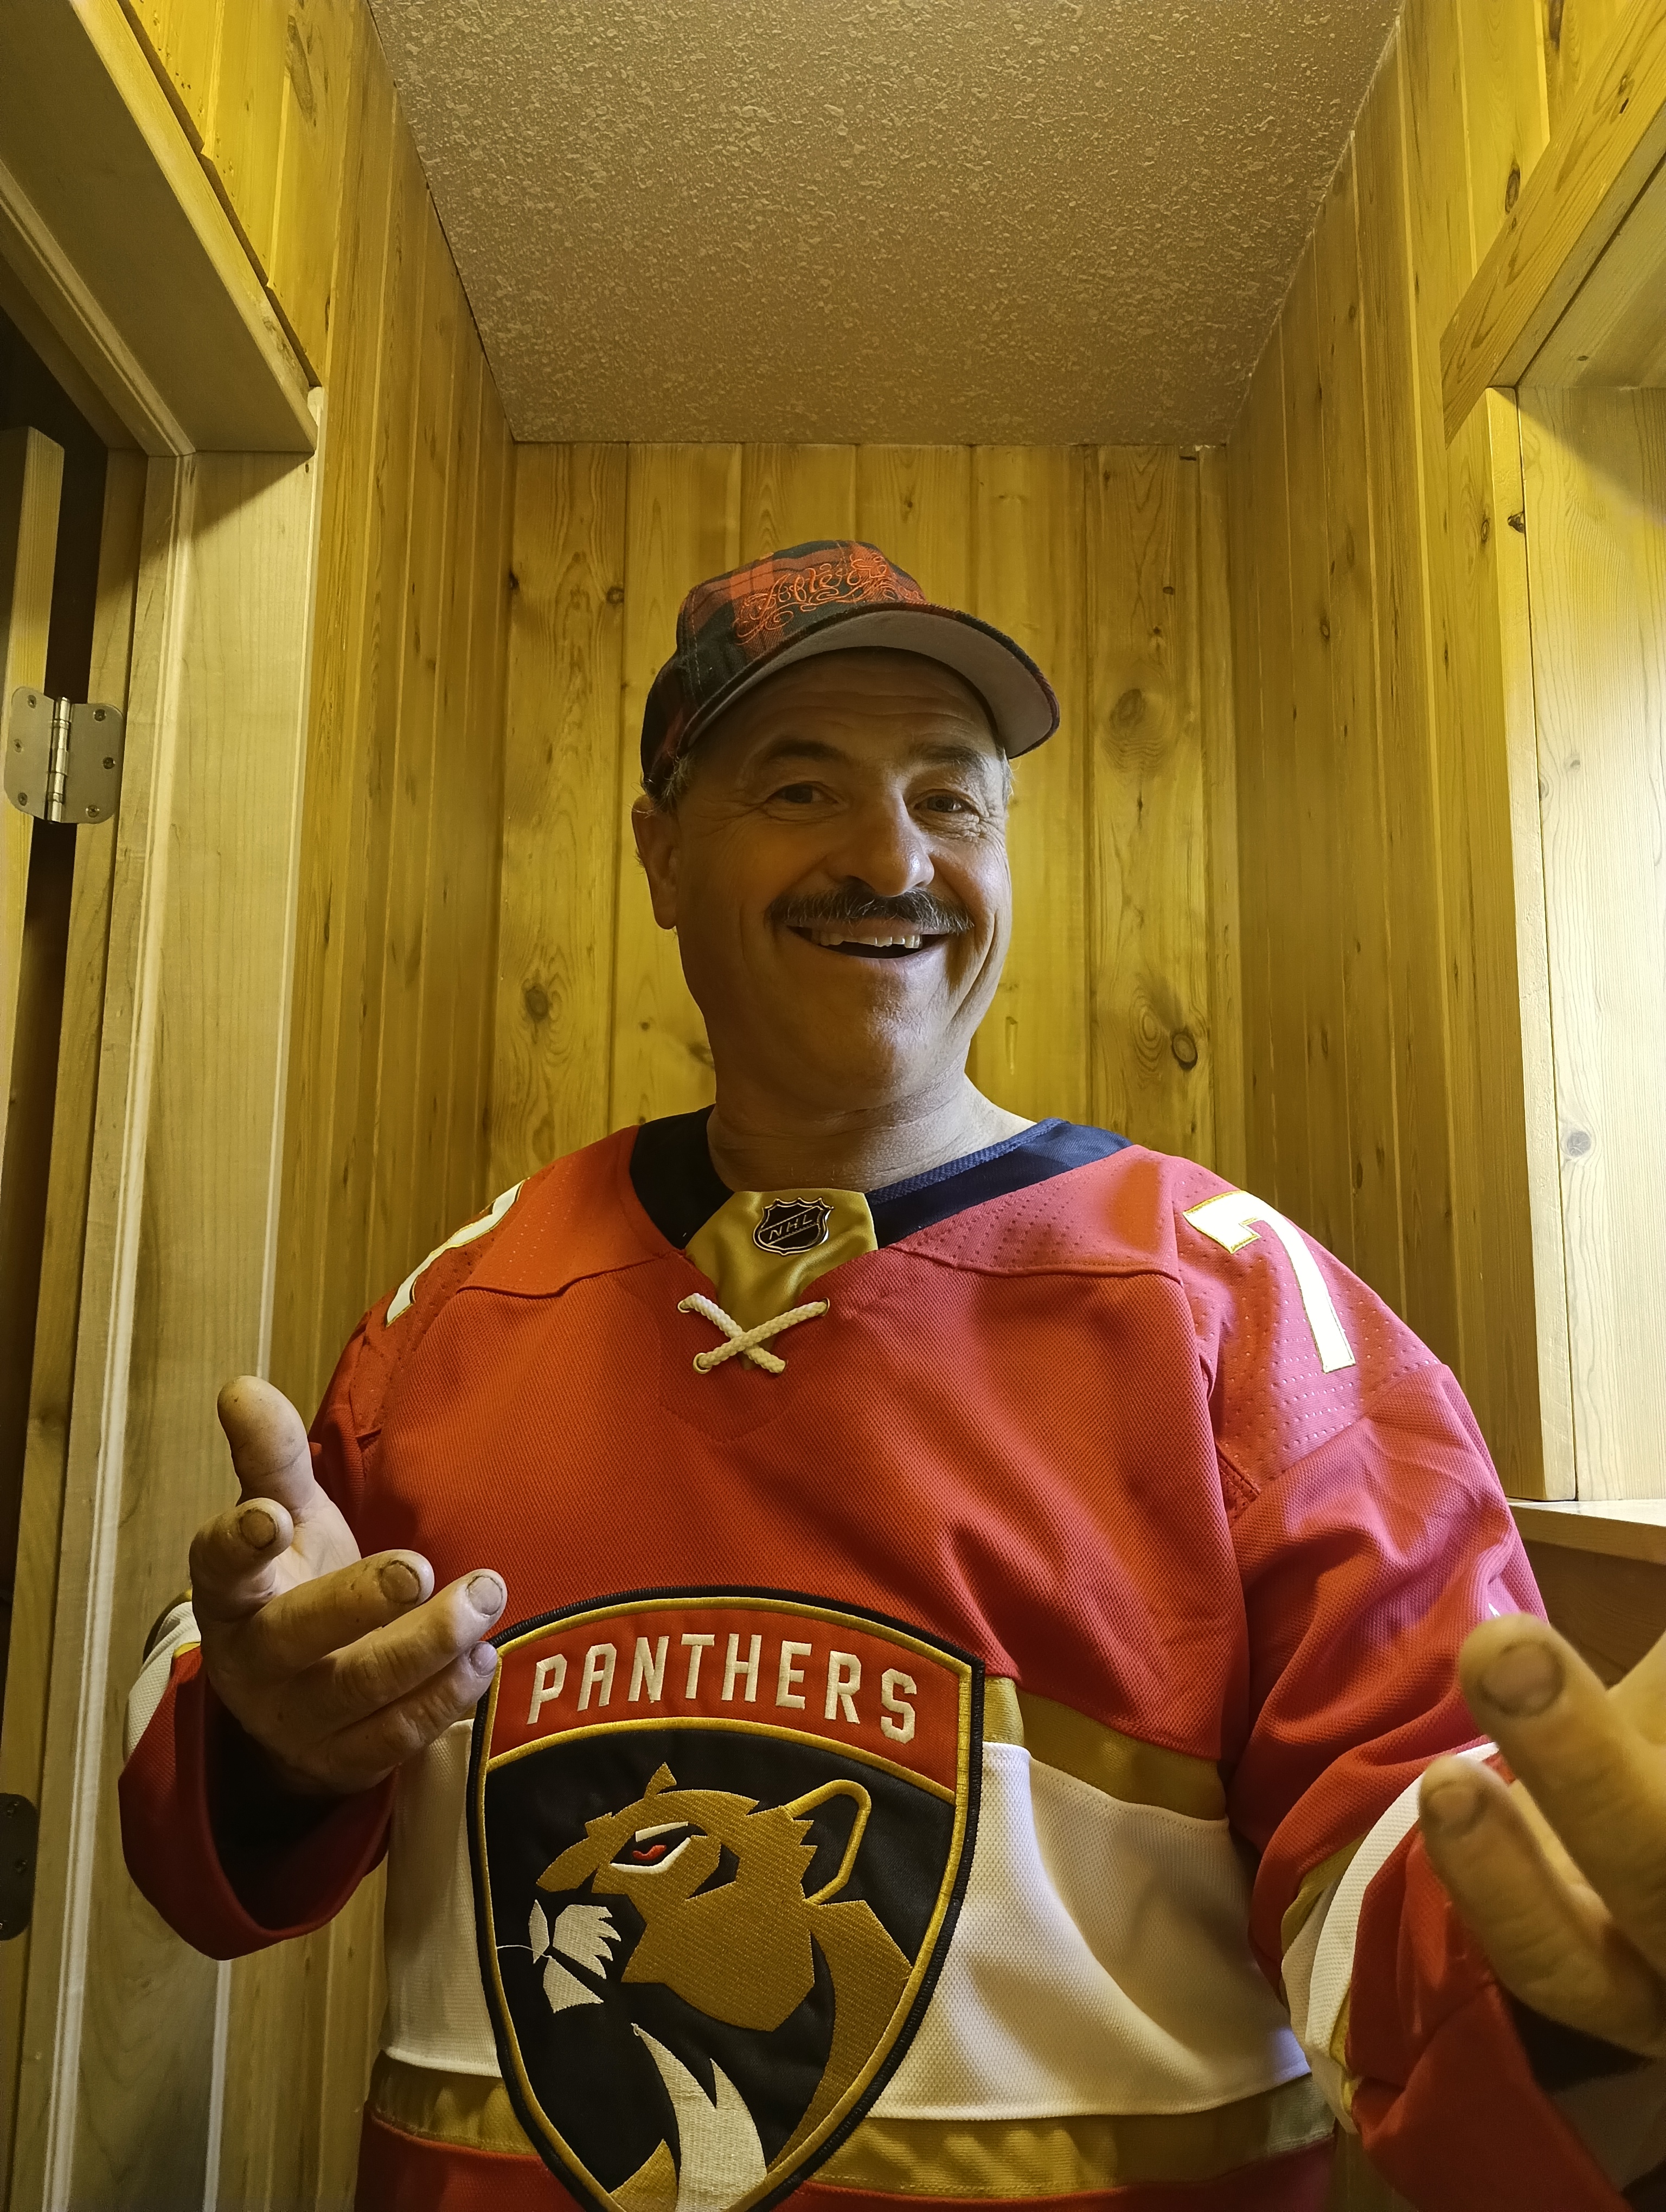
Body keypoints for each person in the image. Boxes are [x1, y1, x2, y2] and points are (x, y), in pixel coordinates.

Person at [121, 542, 1665, 2212]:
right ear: (660, 853)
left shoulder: (1243, 1311)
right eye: (804, 789)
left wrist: (1582, 1977)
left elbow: (1427, 1884)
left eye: (952, 802)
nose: (891, 859)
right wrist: (272, 1743)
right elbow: (217, 1817)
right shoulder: (460, 1306)